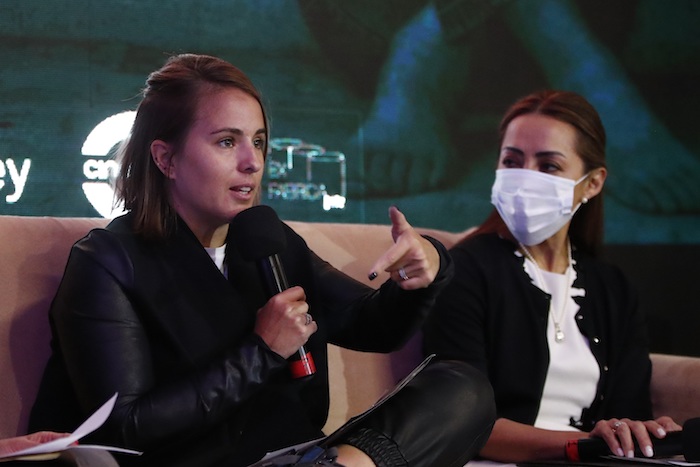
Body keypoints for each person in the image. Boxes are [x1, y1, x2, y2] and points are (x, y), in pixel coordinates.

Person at [28, 53, 495, 467]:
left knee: (460, 388)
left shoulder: (267, 239)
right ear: (166, 158)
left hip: (297, 453)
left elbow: (373, 325)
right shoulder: (107, 262)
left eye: (259, 141)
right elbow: (124, 428)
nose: (253, 162)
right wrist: (262, 351)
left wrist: (424, 269)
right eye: (227, 142)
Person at [422, 90, 681, 463]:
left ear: (592, 183)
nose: (525, 178)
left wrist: (636, 433)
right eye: (512, 161)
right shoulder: (463, 271)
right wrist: (582, 445)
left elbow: (630, 411)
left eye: (548, 166)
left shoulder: (614, 288)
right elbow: (461, 421)